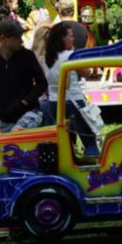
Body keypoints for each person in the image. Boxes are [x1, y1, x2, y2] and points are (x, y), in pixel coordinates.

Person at [0, 19, 48, 133]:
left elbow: (42, 83)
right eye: (17, 37)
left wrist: (26, 101)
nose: (21, 41)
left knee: (15, 140)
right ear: (3, 38)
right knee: (6, 149)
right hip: (6, 118)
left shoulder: (27, 56)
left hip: (30, 112)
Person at [44, 23, 98, 156]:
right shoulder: (71, 55)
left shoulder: (47, 57)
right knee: (89, 140)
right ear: (63, 38)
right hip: (74, 101)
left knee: (66, 142)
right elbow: (87, 73)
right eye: (71, 36)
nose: (73, 39)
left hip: (54, 102)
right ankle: (94, 170)